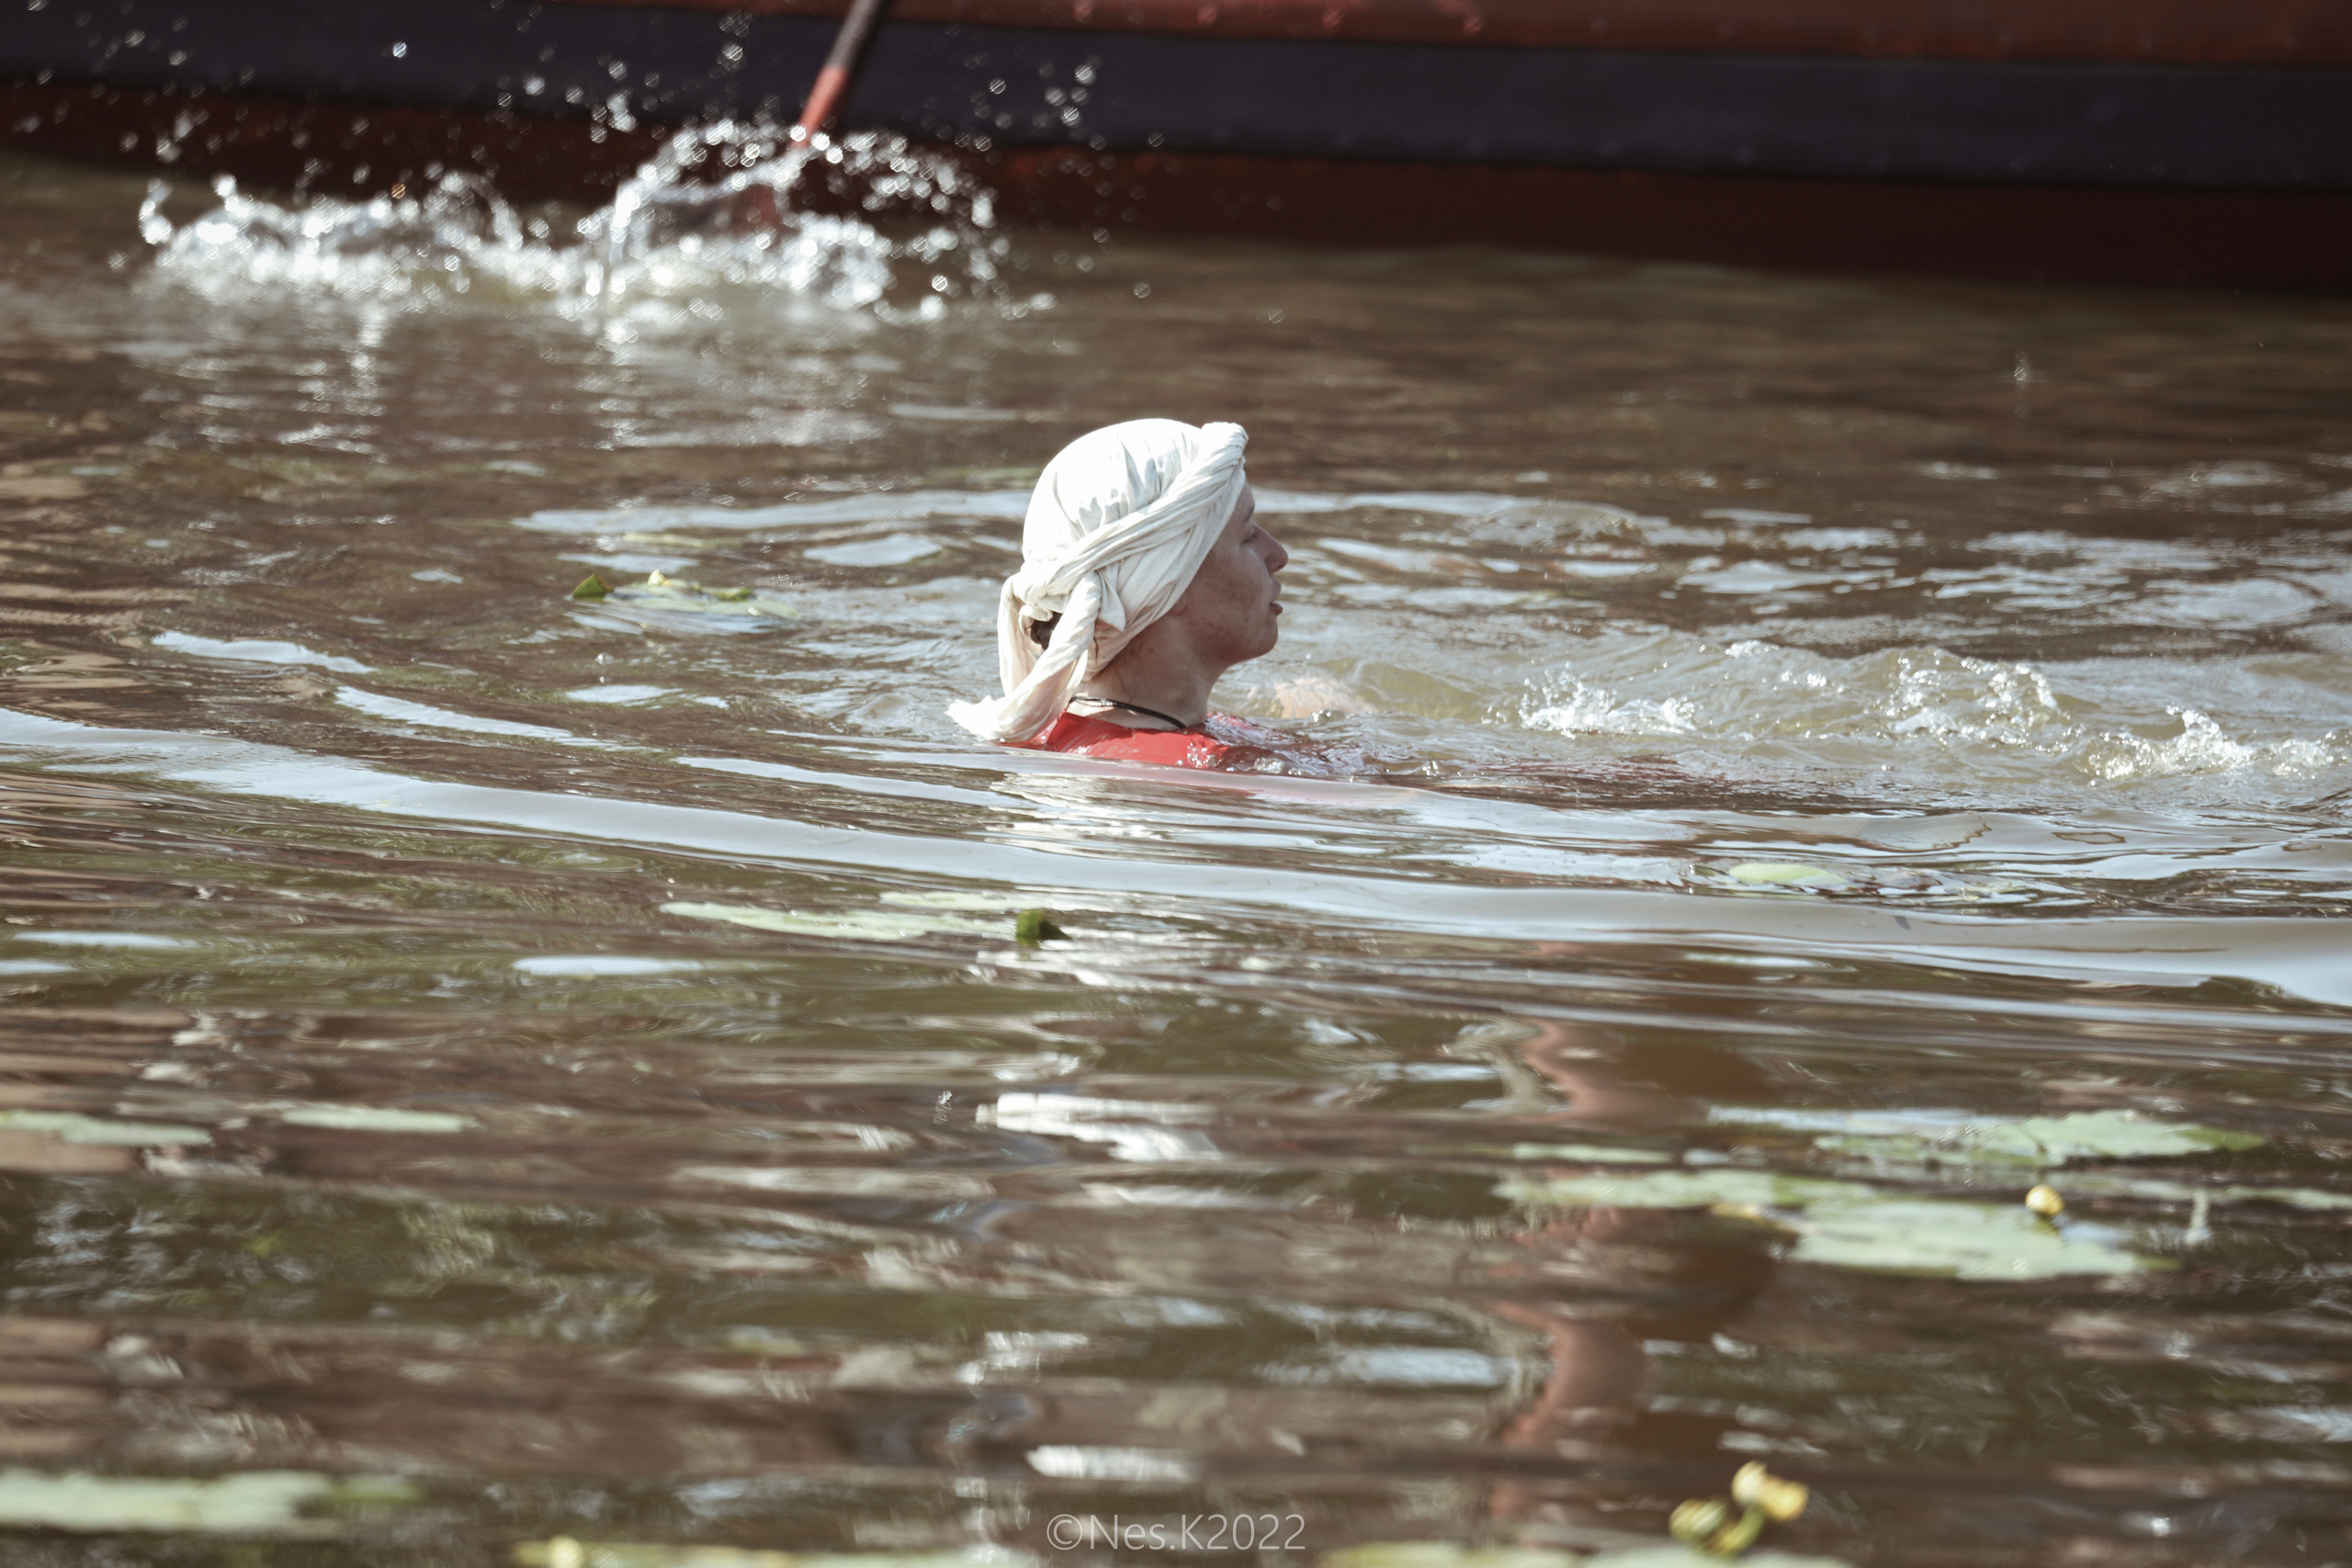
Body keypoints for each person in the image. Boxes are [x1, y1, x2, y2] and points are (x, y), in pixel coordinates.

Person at [948, 418, 1290, 768]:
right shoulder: (1187, 777)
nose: (1278, 555)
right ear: (1169, 582)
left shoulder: (1043, 730)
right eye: (1247, 536)